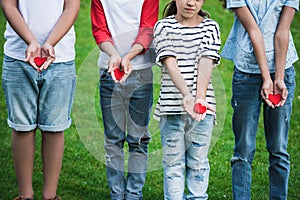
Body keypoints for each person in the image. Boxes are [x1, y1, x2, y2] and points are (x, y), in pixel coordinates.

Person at [1, 0, 80, 199]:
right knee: (22, 127)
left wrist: (49, 43)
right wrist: (31, 42)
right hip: (18, 57)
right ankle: (25, 195)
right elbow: (9, 6)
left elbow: (71, 7)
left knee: (54, 127)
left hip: (60, 59)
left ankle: (50, 196)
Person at [220, 0, 299, 199]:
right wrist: (266, 77)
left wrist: (278, 78)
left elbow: (282, 31)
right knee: (243, 149)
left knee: (279, 148)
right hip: (248, 72)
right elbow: (254, 31)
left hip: (283, 70)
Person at [153, 0, 221, 199]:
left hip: (202, 110)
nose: (191, 2)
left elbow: (206, 61)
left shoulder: (210, 27)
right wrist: (187, 96)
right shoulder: (163, 26)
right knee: (173, 165)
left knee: (198, 164)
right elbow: (170, 63)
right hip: (171, 108)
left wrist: (198, 98)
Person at [90, 0, 158, 199]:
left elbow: (147, 30)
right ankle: (117, 194)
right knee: (113, 138)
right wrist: (114, 55)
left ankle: (134, 193)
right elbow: (99, 30)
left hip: (141, 73)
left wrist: (128, 56)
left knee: (138, 139)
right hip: (109, 72)